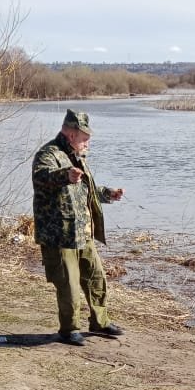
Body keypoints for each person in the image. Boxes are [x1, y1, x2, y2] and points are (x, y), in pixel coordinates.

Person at [32, 109, 125, 346]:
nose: (88, 143)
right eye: (85, 138)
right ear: (71, 134)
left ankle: (100, 322)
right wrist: (66, 175)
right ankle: (69, 330)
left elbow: (86, 189)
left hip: (83, 234)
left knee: (96, 278)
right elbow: (43, 177)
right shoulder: (48, 154)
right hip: (59, 237)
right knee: (69, 286)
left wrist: (108, 194)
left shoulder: (77, 156)